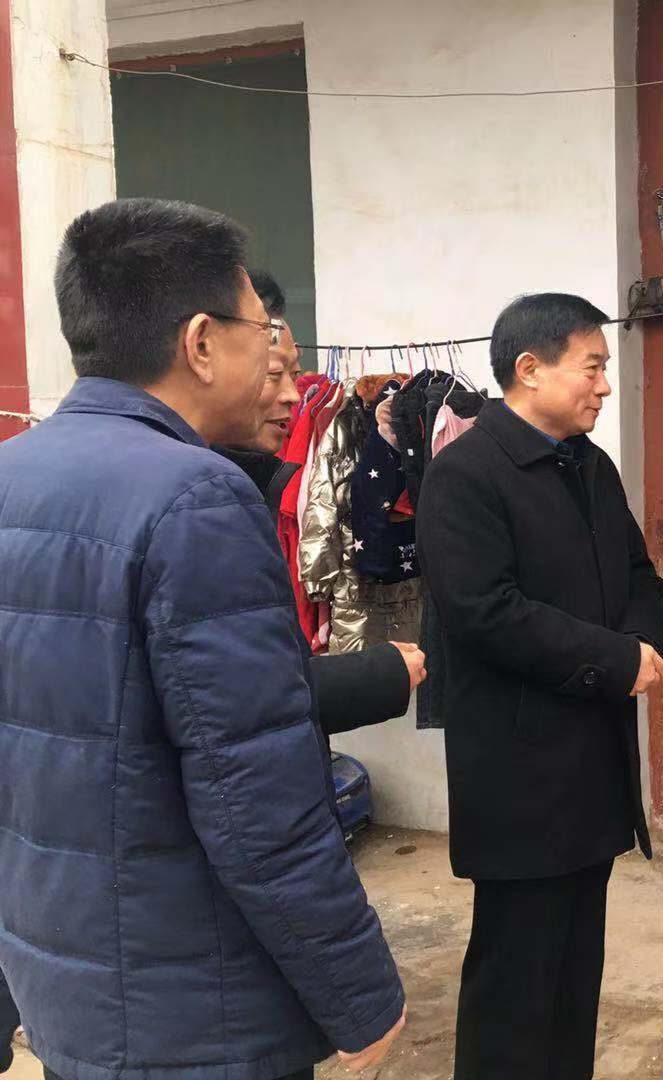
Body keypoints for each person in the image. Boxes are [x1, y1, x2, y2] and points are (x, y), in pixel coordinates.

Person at [0, 199, 405, 1080]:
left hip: (66, 990)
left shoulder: (12, 473)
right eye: (262, 330)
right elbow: (258, 796)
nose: (275, 359)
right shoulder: (194, 497)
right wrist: (361, 997)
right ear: (201, 342)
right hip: (196, 1011)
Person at [417, 293, 663, 1079]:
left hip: (593, 763)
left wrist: (644, 644)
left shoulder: (590, 466)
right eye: (592, 367)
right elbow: (484, 614)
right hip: (520, 777)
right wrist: (614, 660)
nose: (604, 385)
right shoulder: (465, 475)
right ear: (530, 370)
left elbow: (638, 573)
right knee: (515, 985)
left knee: (573, 979)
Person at [213, 268, 426, 735]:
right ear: (202, 352)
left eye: (295, 372)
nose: (295, 393)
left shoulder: (245, 482)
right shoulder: (198, 505)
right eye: (273, 374)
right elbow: (230, 697)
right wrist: (379, 675)